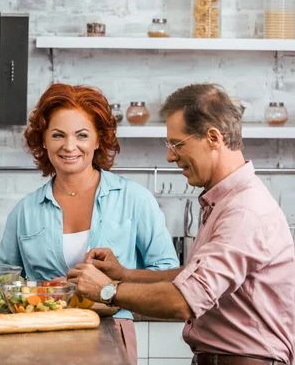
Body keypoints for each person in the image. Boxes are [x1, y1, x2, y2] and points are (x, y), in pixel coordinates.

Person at [69, 84, 295, 365]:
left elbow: (184, 300)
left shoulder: (244, 211)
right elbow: (191, 276)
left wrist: (107, 290)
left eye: (177, 144)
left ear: (213, 137)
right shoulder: (223, 202)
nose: (170, 156)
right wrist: (123, 274)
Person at [0, 83, 179, 365]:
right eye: (58, 135)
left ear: (98, 140)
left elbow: (167, 274)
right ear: (43, 140)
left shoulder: (135, 200)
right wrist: (43, 290)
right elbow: (3, 285)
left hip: (111, 335)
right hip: (41, 337)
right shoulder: (24, 212)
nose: (69, 146)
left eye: (82, 135)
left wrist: (115, 283)